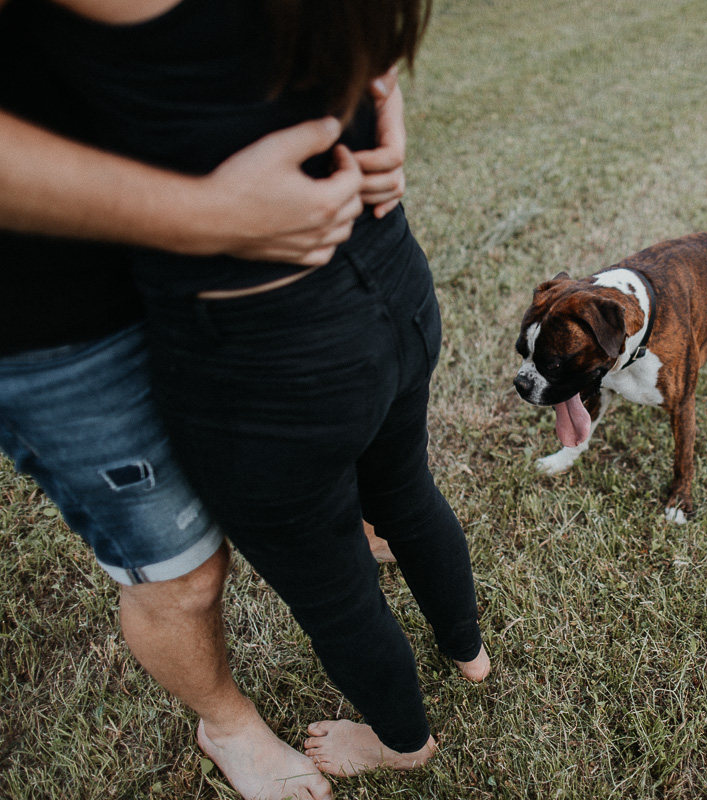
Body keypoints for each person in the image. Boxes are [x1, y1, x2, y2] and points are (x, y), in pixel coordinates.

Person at [14, 0, 491, 788]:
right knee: (407, 489)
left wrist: (204, 216)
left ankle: (403, 742)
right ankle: (466, 651)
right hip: (394, 280)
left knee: (334, 581)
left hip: (267, 349)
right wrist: (384, 101)